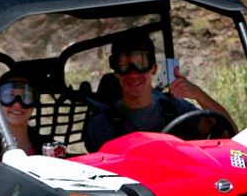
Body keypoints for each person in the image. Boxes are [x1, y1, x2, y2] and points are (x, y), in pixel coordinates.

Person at [84, 30, 236, 151]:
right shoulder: (103, 124)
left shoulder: (174, 107)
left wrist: (199, 95)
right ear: (116, 72)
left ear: (154, 68)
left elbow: (229, 134)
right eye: (124, 65)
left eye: (141, 63)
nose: (133, 74)